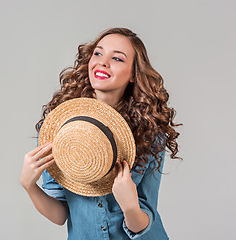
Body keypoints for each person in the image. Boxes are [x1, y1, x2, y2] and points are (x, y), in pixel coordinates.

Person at [20, 27, 181, 239]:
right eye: (98, 53)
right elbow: (60, 215)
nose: (103, 62)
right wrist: (29, 186)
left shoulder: (150, 132)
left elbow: (144, 221)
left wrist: (130, 205)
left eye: (117, 58)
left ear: (133, 74)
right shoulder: (58, 128)